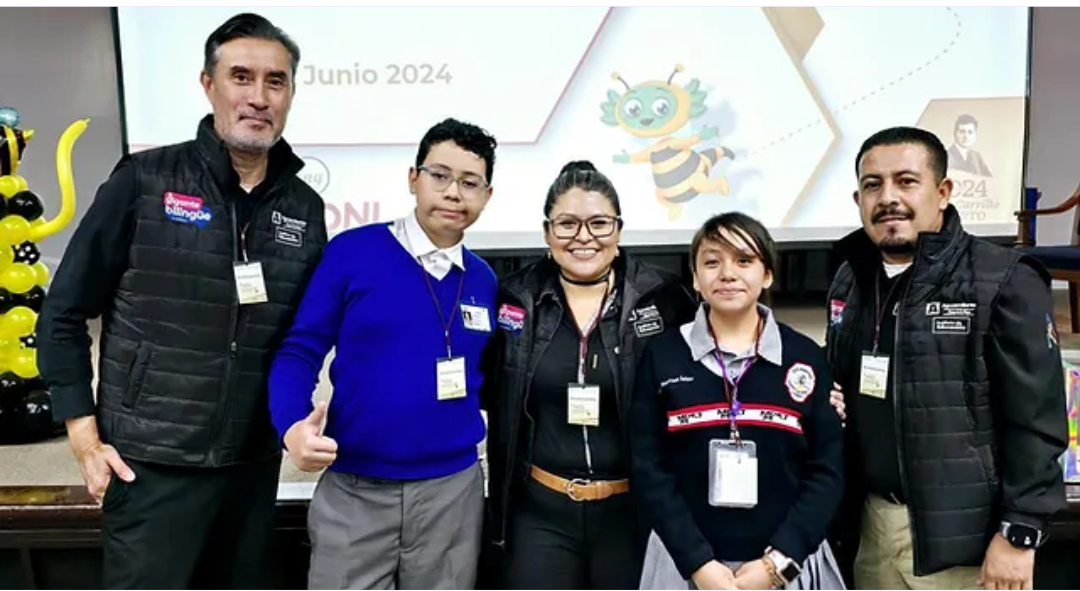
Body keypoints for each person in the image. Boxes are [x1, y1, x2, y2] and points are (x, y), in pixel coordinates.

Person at [36, 13, 327, 589]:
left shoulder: (304, 208)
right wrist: (84, 439)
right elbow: (63, 312)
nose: (258, 97)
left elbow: (302, 339)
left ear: (290, 94)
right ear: (208, 84)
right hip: (147, 465)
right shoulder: (144, 180)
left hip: (250, 469)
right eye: (241, 77)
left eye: (275, 81)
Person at [825, 126, 1068, 590]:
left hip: (965, 546)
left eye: (906, 181)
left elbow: (1037, 419)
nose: (888, 197)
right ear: (858, 198)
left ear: (942, 192)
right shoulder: (849, 278)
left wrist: (1020, 532)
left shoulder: (1003, 279)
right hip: (869, 530)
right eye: (873, 185)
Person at [268, 117, 499, 590]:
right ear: (413, 178)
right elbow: (299, 350)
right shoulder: (353, 253)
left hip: (452, 494)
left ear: (487, 195)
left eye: (469, 182)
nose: (453, 192)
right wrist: (291, 425)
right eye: (440, 175)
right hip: (357, 490)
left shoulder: (483, 280)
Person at [479, 160, 697, 589]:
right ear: (547, 233)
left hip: (632, 513)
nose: (583, 237)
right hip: (540, 513)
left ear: (619, 230)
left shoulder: (662, 298)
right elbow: (483, 382)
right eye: (567, 224)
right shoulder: (515, 298)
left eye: (598, 223)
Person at [630, 212, 845, 590]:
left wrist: (777, 564)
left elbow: (827, 471)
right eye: (712, 262)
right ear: (695, 278)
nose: (727, 274)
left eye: (744, 260)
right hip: (685, 567)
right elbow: (649, 469)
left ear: (768, 274)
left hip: (784, 566)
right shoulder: (663, 355)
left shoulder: (805, 357)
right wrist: (698, 564)